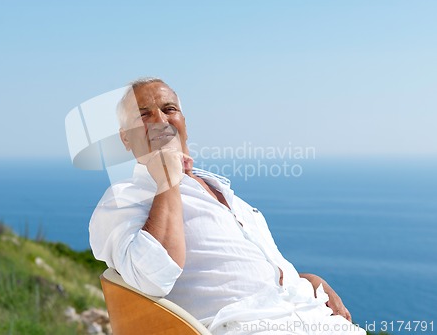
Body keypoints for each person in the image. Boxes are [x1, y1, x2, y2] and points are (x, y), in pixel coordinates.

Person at [89, 77, 366, 335]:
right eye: (143, 114)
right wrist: (168, 181)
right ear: (126, 138)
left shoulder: (226, 194)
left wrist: (308, 280)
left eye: (169, 109)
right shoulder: (123, 198)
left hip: (309, 316)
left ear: (183, 122)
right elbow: (151, 278)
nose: (160, 120)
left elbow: (240, 273)